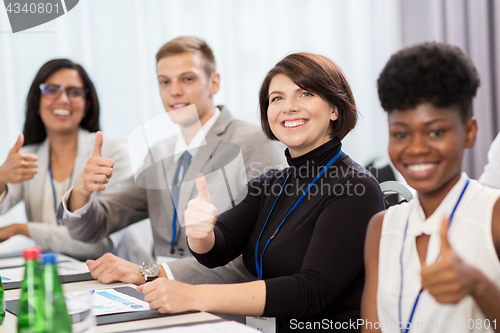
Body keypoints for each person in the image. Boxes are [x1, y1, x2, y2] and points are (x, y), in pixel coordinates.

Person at [137, 52, 385, 333]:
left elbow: (312, 290)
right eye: (276, 98)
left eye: (304, 94)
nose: (288, 107)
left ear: (334, 109)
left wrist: (194, 296)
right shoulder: (272, 183)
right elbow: (220, 247)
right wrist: (201, 234)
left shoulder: (355, 187)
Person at [58, 36, 286, 285]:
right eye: (164, 81)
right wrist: (81, 191)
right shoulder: (159, 153)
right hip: (160, 299)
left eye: (187, 78)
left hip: (224, 307)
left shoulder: (258, 141)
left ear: (214, 83)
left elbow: (261, 253)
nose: (174, 91)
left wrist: (152, 273)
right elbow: (90, 228)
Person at [361, 42, 500, 333]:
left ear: (470, 132)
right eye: (401, 133)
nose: (417, 148)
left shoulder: (493, 214)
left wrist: (478, 286)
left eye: (435, 131)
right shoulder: (381, 228)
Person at [0, 59, 145, 261]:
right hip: (57, 276)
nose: (63, 100)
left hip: (119, 281)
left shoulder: (112, 151)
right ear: (37, 102)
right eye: (51, 90)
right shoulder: (27, 157)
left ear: (86, 105)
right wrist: (1, 178)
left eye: (74, 92)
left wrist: (21, 229)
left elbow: (100, 244)